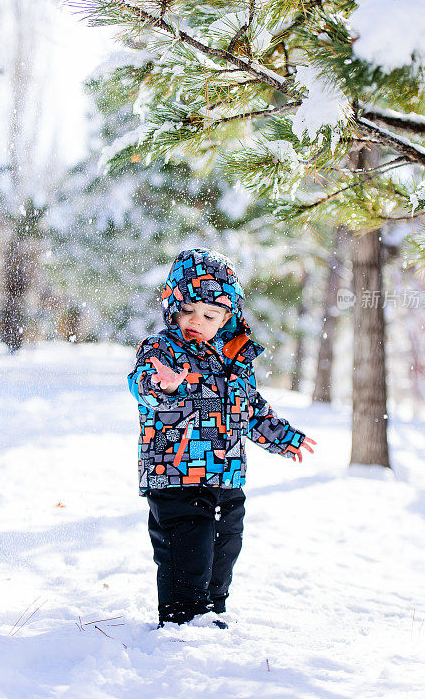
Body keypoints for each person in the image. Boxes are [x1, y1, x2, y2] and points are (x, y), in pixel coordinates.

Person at [127, 248, 316, 628]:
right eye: (187, 312)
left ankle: (211, 611)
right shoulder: (162, 349)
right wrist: (160, 385)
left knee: (225, 546)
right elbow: (141, 384)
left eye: (209, 315)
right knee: (188, 549)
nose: (197, 321)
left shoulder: (234, 360)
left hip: (226, 477)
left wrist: (283, 437)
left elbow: (250, 408)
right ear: (172, 309)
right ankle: (183, 617)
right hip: (176, 473)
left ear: (227, 318)